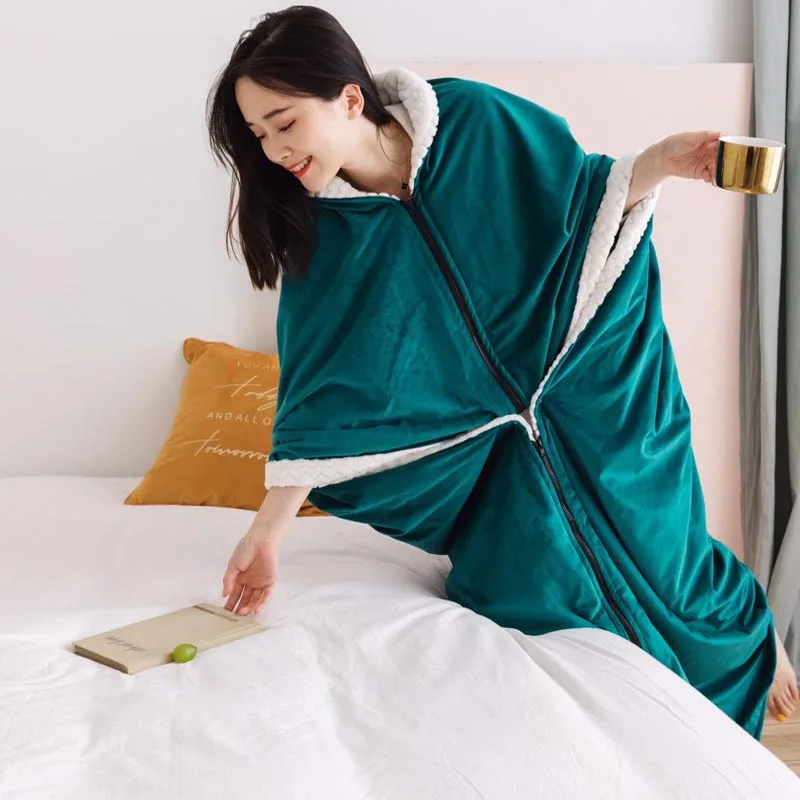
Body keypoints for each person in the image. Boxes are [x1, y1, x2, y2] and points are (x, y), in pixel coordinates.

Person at [206, 5, 798, 736]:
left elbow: (582, 197)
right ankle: (657, 734)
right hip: (484, 460)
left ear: (349, 99)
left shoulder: (474, 120)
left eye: (284, 123)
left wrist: (664, 161)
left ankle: (751, 640)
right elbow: (322, 399)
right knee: (542, 598)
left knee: (665, 544)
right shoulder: (319, 238)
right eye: (259, 135)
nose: (273, 151)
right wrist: (266, 535)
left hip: (586, 381)